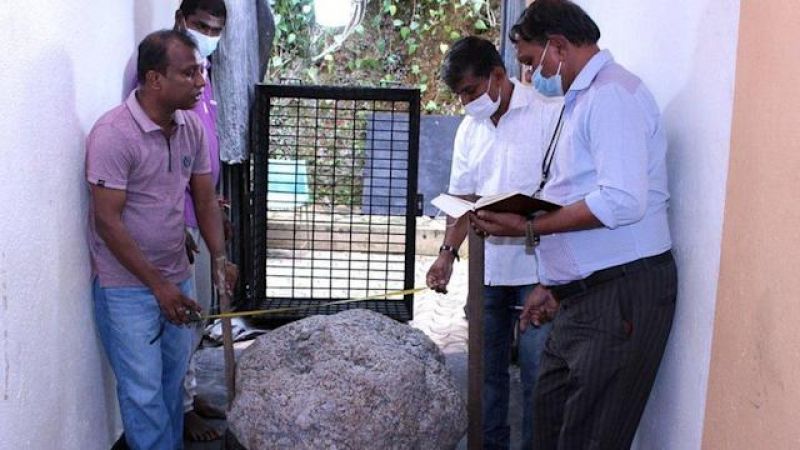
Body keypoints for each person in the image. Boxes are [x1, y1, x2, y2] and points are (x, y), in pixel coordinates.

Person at [471, 1, 677, 448]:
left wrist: (527, 230)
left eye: (530, 62)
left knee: (589, 439)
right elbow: (575, 189)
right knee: (549, 424)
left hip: (619, 295)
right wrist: (553, 283)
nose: (529, 74)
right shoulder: (580, 97)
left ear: (558, 47)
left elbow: (621, 202)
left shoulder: (611, 96)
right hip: (582, 297)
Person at [87, 29, 234, 449]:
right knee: (144, 394)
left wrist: (220, 259)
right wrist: (158, 286)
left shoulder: (191, 128)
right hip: (127, 290)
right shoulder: (113, 134)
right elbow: (107, 222)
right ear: (154, 79)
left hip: (176, 280)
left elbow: (204, 200)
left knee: (172, 387)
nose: (201, 82)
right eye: (189, 74)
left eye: (201, 71)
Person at [427, 36, 563, 450]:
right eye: (459, 95)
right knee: (485, 373)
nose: (466, 102)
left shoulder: (547, 116)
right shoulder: (469, 131)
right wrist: (446, 256)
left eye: (470, 90)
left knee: (539, 375)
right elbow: (462, 200)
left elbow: (565, 198)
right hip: (487, 273)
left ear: (498, 76)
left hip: (539, 273)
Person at [123, 0, 230, 441]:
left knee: (188, 322)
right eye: (202, 25)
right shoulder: (161, 73)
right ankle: (182, 407)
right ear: (182, 18)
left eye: (216, 28)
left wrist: (210, 208)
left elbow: (198, 148)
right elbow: (154, 160)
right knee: (170, 336)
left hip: (196, 209)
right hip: (170, 223)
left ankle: (186, 396)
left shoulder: (199, 71)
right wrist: (182, 219)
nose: (209, 33)